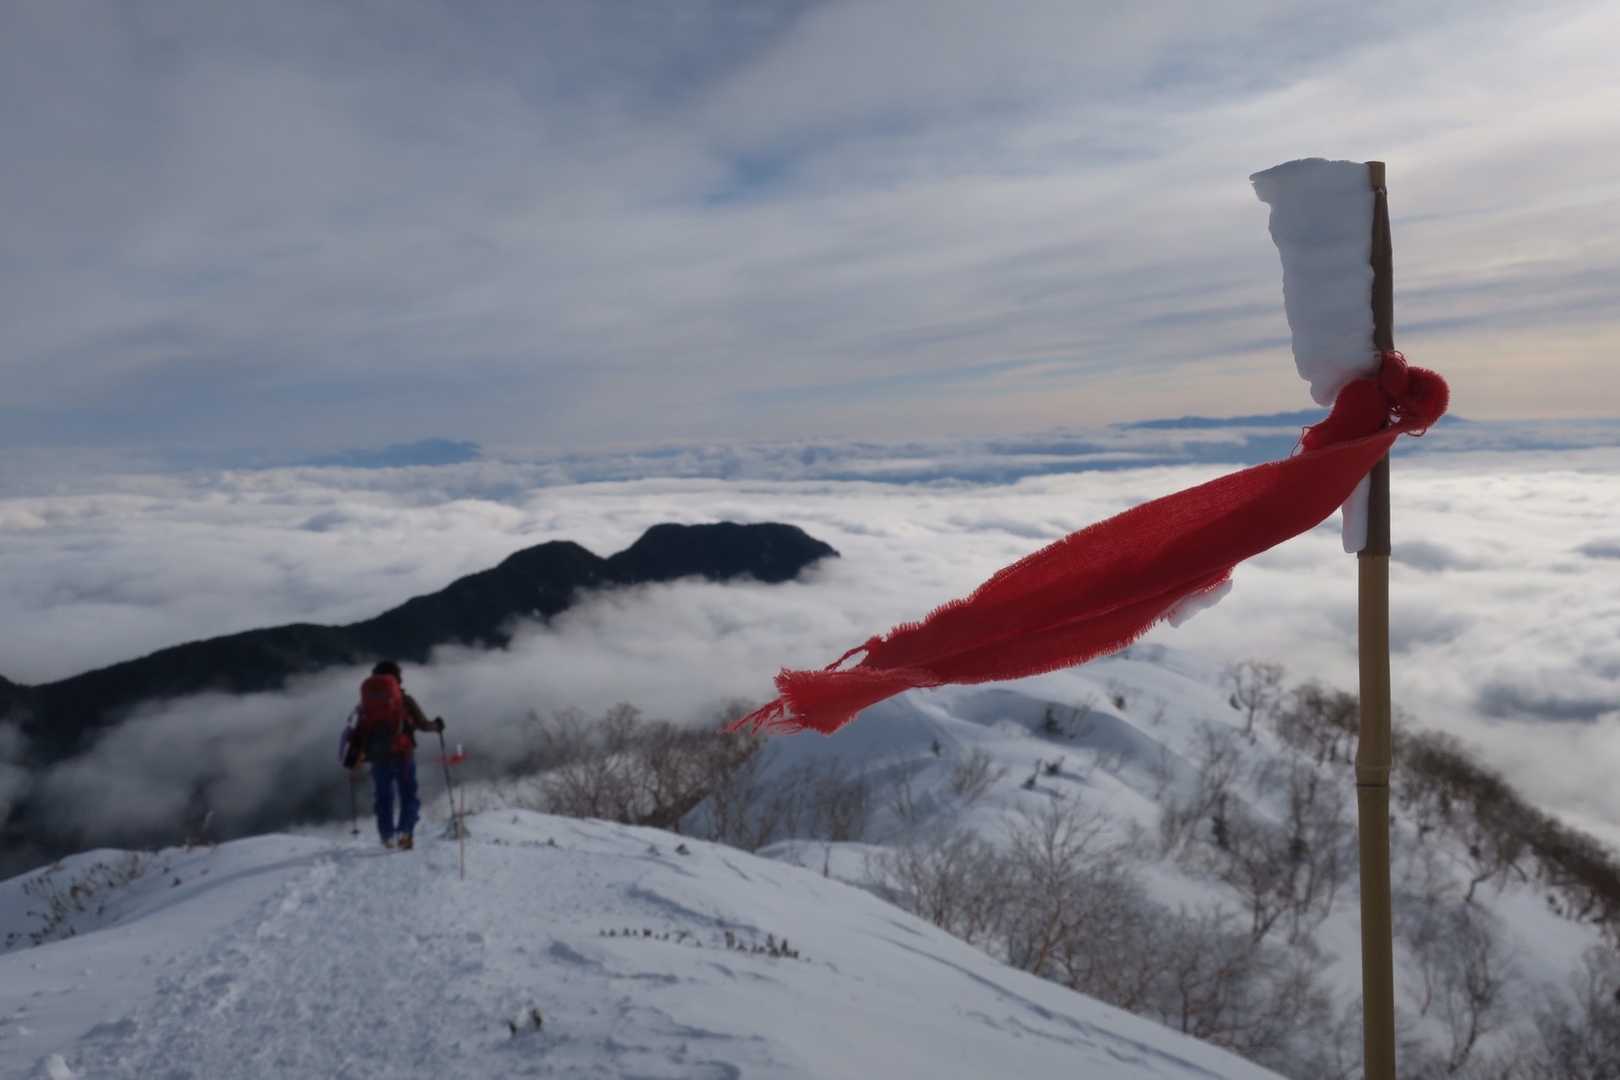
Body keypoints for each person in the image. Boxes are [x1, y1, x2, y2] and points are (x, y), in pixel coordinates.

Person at [346, 660, 444, 850]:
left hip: (377, 757)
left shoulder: (366, 704)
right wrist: (437, 726)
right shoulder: (405, 700)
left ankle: (387, 836)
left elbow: (358, 730)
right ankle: (405, 832)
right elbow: (423, 725)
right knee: (408, 794)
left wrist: (353, 756)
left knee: (383, 797)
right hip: (403, 753)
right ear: (396, 677)